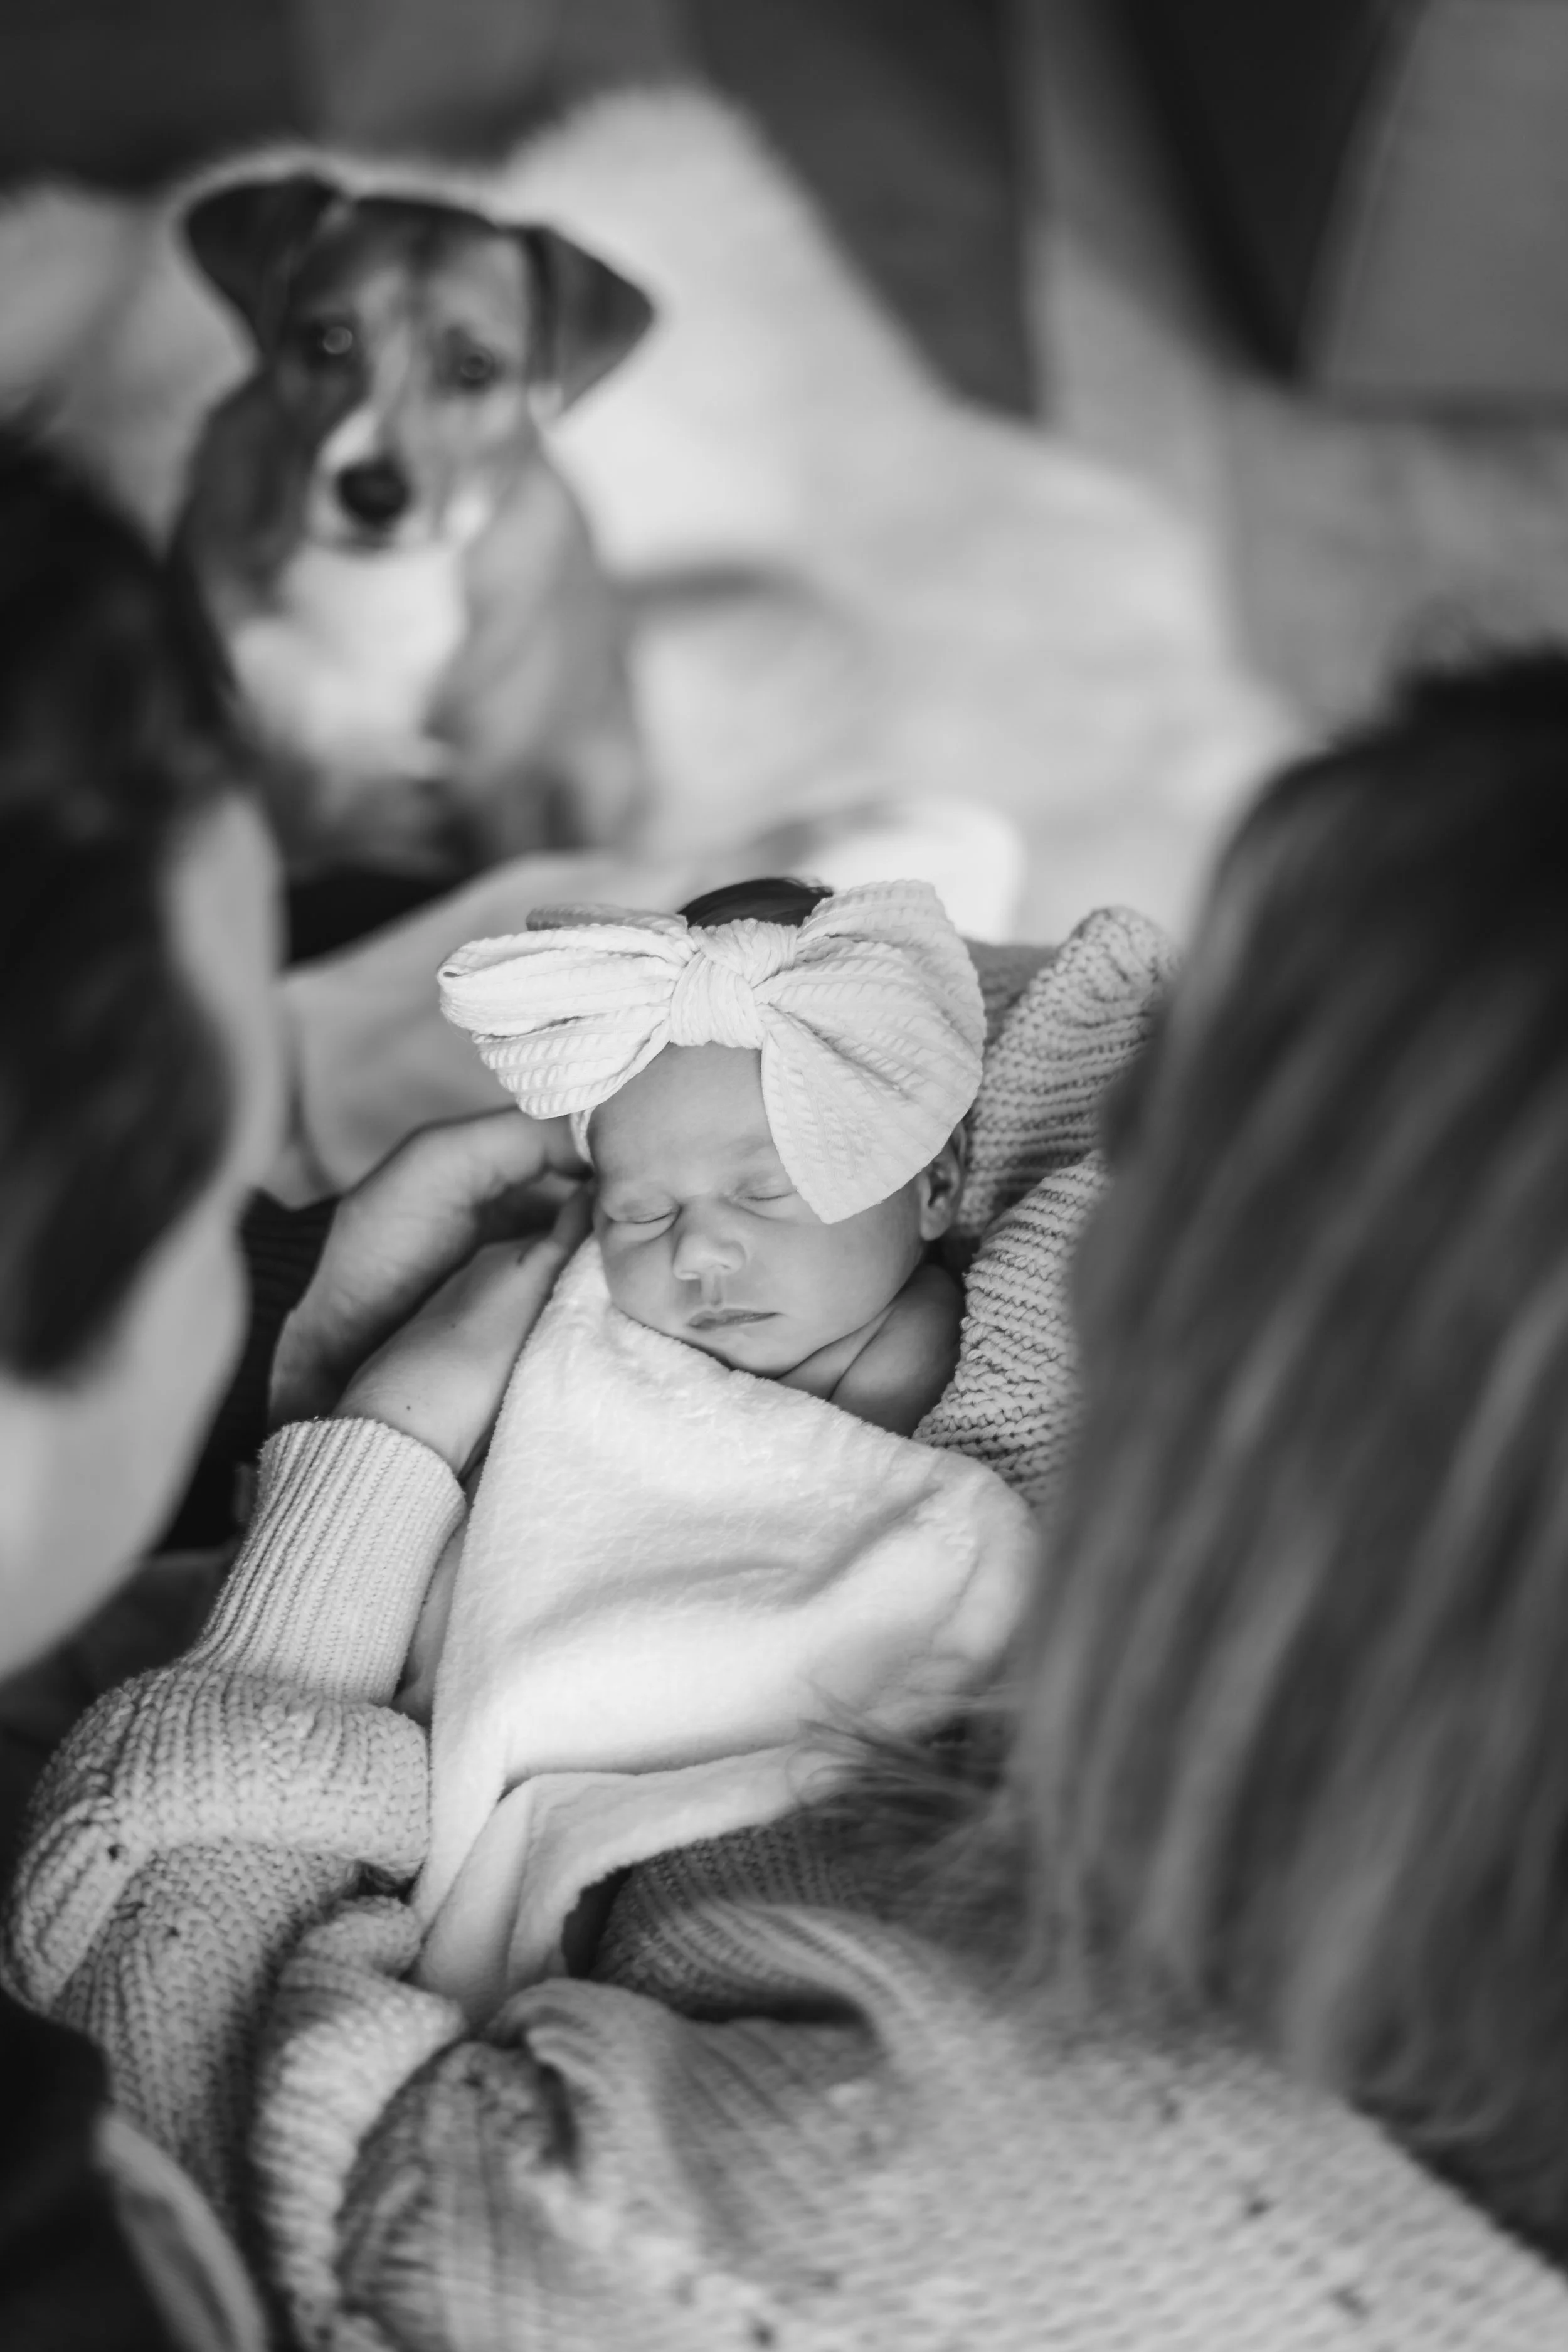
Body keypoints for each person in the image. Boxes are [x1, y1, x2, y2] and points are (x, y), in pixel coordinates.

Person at [8, 418, 1567, 2348]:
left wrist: (354, 1458)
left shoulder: (830, 2230)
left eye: (1186, 1144)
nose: (1099, 1174)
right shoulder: (1397, 1661)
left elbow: (196, 2104)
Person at [395, 873, 1040, 2015]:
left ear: (934, 1185)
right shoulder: (580, 1331)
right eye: (638, 1213)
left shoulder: (968, 1343)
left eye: (766, 1194)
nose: (697, 1256)